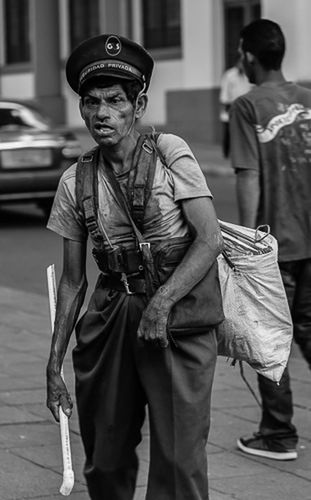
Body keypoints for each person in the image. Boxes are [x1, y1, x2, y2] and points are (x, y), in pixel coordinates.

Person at [46, 33, 224, 499]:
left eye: (115, 101)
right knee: (104, 456)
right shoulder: (75, 179)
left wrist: (161, 303)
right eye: (91, 103)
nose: (101, 113)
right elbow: (71, 281)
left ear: (138, 105)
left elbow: (209, 239)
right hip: (111, 315)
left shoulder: (170, 152)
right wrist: (53, 364)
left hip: (178, 311)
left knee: (179, 459)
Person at [230, 19, 311, 461]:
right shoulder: (309, 101)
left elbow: (249, 176)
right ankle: (277, 430)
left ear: (248, 55)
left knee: (270, 339)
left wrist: (246, 249)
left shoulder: (248, 106)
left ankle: (279, 433)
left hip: (277, 247)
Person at [219, 57, 251, 158]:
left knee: (242, 132)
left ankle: (242, 152)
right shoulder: (230, 75)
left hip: (244, 106)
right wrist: (226, 103)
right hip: (231, 105)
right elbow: (225, 91)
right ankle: (226, 153)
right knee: (229, 132)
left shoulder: (247, 75)